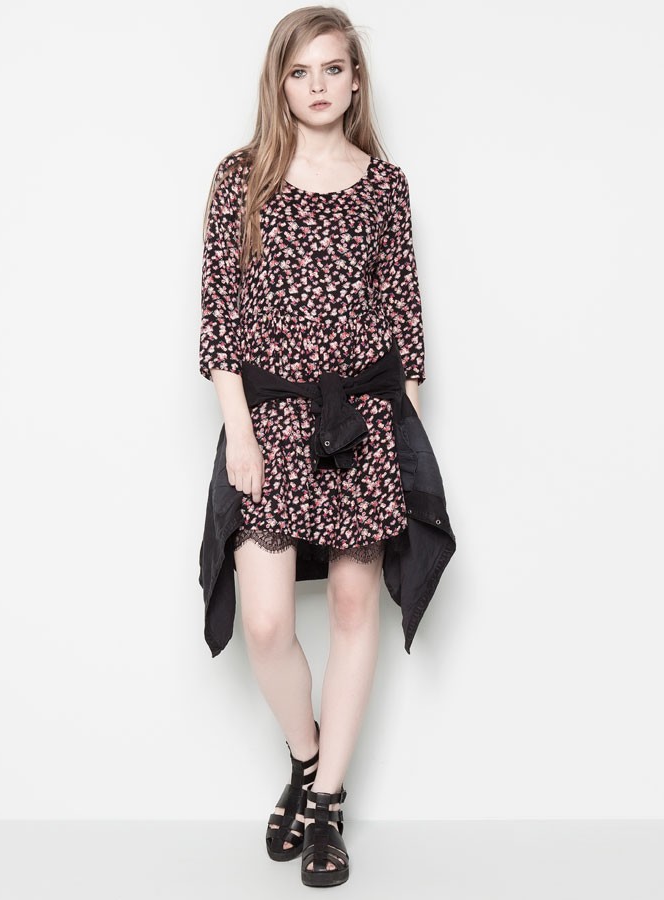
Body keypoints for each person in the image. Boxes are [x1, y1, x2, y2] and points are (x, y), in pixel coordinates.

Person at [196, 6, 425, 888]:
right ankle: (306, 756)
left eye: (333, 69)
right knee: (266, 621)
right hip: (272, 423)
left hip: (363, 421)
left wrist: (400, 437)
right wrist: (239, 432)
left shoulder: (385, 185)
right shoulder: (242, 176)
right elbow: (220, 317)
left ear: (355, 80)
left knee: (359, 609)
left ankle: (327, 804)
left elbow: (404, 318)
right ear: (279, 83)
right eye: (300, 72)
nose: (318, 86)